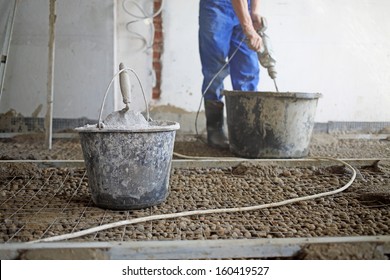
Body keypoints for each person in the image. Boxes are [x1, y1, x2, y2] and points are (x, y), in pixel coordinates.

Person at [199, 0, 263, 149]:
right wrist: (249, 29)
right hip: (216, 6)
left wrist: (254, 11)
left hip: (244, 7)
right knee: (215, 68)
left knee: (248, 69)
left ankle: (245, 129)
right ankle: (214, 129)